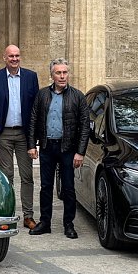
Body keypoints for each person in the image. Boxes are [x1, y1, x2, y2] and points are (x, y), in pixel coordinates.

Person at [26, 58, 90, 239]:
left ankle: (68, 224)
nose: (62, 76)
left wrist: (80, 152)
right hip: (47, 147)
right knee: (46, 187)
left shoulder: (78, 96)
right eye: (58, 73)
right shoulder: (42, 95)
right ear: (52, 75)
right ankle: (45, 222)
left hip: (68, 149)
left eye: (65, 72)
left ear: (68, 74)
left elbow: (85, 126)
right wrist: (32, 145)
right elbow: (33, 121)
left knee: (68, 188)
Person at [0, 45, 40, 230]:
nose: (14, 59)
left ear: (20, 57)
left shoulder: (31, 77)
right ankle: (7, 215)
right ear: (4, 58)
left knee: (27, 177)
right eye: (11, 56)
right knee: (6, 176)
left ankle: (28, 216)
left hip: (25, 135)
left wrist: (34, 136)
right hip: (4, 134)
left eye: (17, 55)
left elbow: (36, 108)